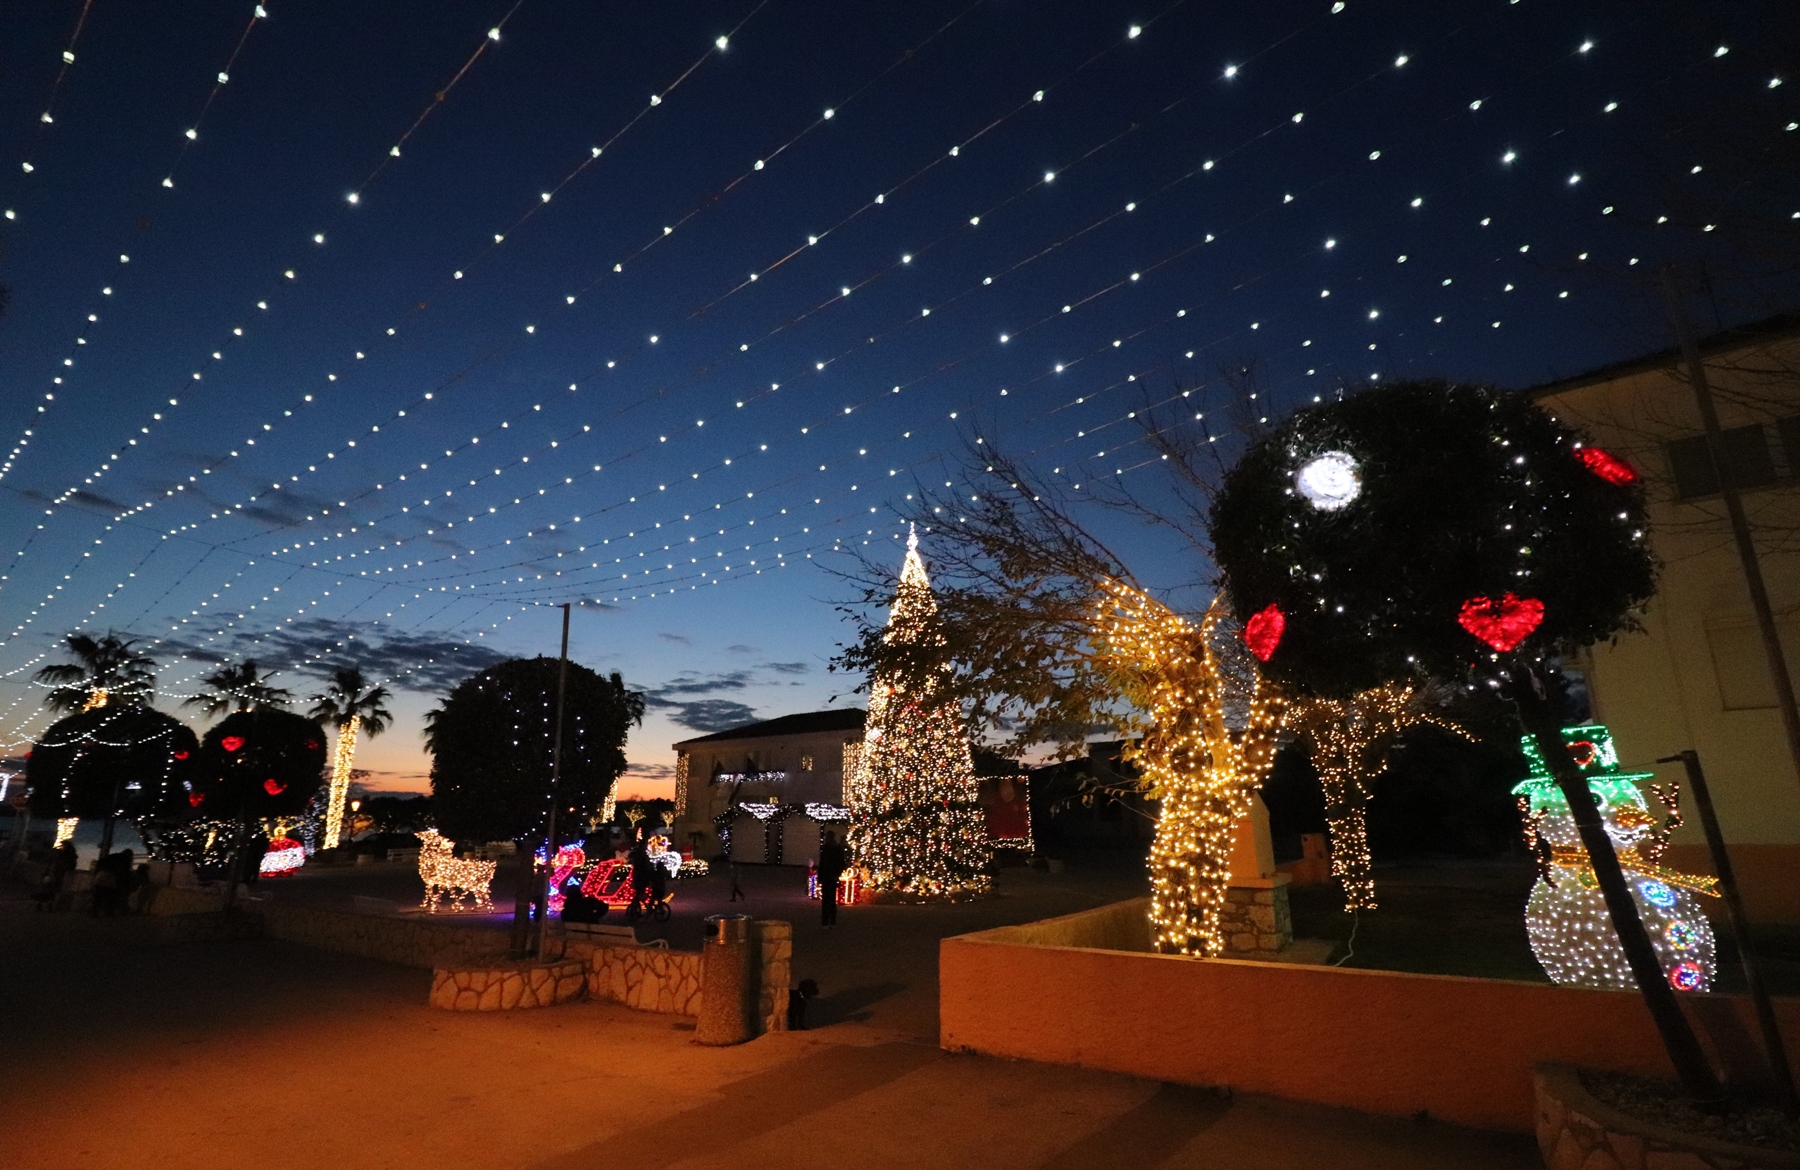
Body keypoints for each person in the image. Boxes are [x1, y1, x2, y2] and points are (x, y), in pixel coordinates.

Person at [33, 841, 77, 912]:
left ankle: (42, 906)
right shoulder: (67, 858)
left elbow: (50, 867)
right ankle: (49, 906)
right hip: (57, 877)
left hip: (52, 876)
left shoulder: (57, 859)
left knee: (46, 891)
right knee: (52, 892)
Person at [817, 830, 848, 929]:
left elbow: (824, 864)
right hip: (830, 876)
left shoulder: (831, 849)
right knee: (830, 900)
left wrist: (835, 874)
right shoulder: (833, 848)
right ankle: (830, 921)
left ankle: (827, 922)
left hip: (829, 876)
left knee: (827, 900)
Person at [627, 831, 652, 915]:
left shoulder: (639, 853)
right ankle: (638, 908)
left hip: (640, 875)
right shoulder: (640, 854)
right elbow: (645, 864)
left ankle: (642, 907)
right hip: (640, 876)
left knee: (639, 893)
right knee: (639, 893)